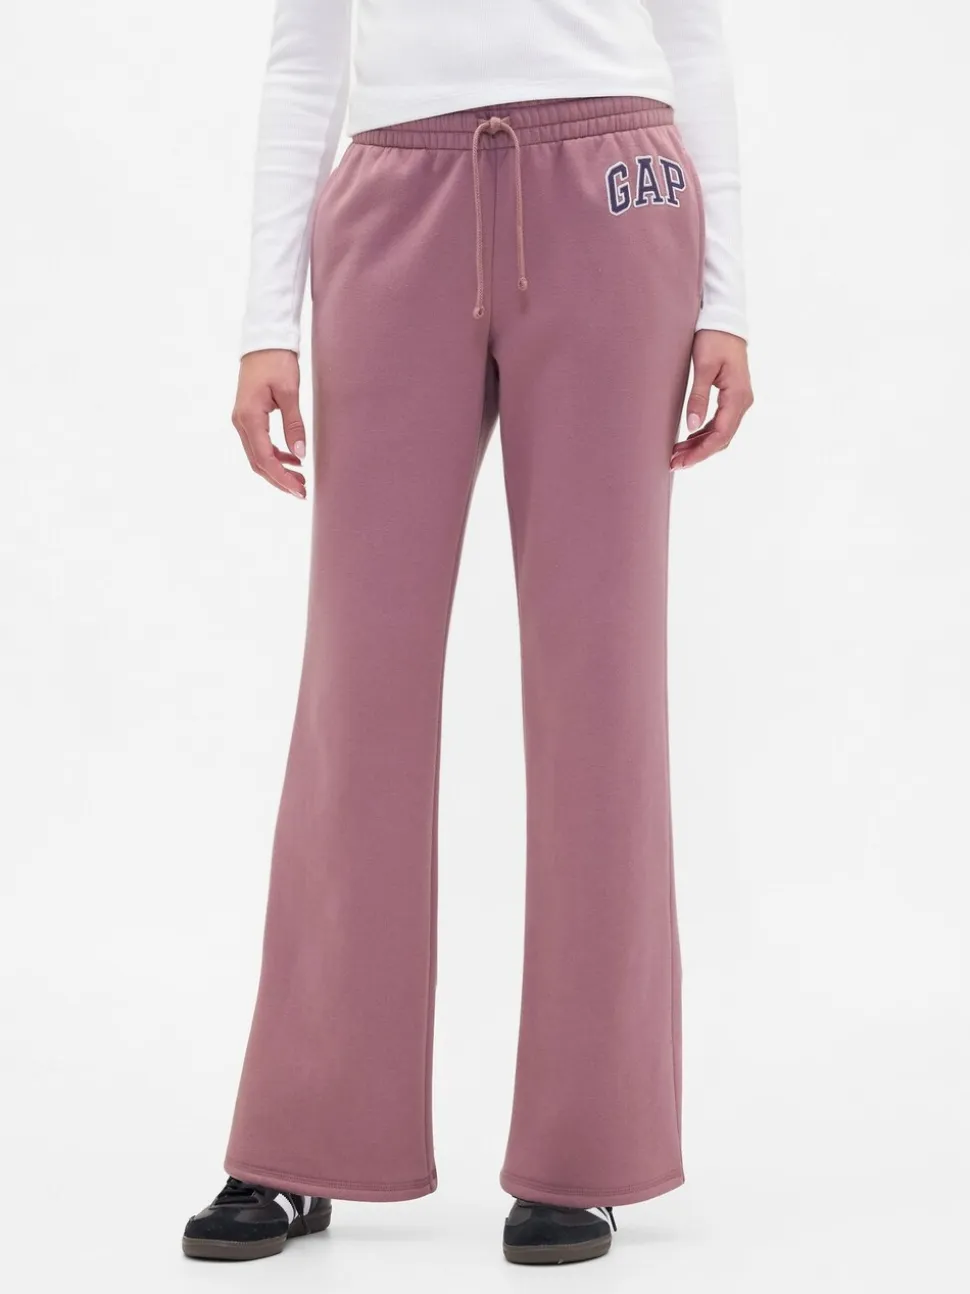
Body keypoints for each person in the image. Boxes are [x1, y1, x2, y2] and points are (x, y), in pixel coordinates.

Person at [182, 0, 753, 1267]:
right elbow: (304, 55)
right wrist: (265, 324)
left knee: (601, 684)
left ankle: (588, 1149)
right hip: (395, 201)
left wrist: (729, 301)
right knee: (358, 683)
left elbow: (695, 35)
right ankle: (302, 1139)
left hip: (614, 193)